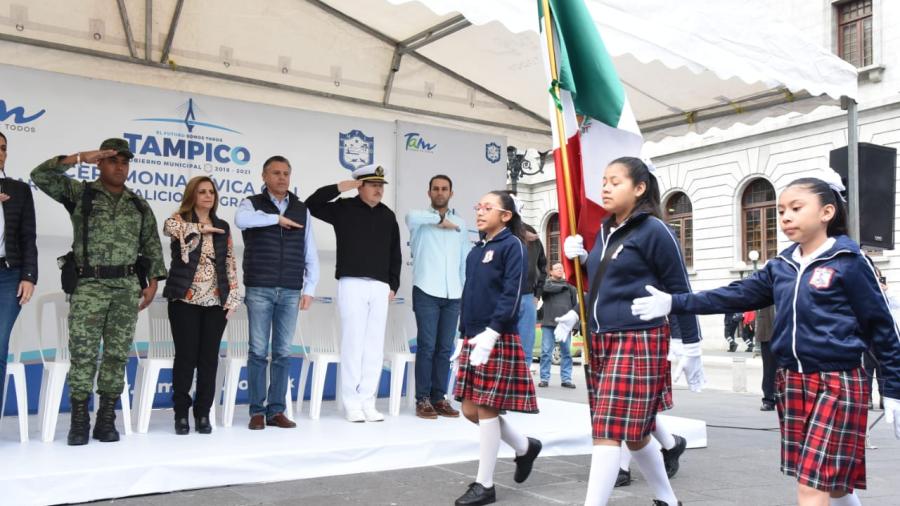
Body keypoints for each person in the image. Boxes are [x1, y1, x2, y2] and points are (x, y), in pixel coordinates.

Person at [631, 177, 900, 506]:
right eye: (781, 210)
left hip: (838, 382)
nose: (785, 216)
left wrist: (892, 387)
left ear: (827, 211)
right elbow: (734, 295)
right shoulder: (781, 267)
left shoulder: (850, 262)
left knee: (812, 483)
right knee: (833, 482)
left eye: (796, 208)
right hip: (792, 382)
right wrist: (676, 302)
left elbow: (882, 326)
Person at [562, 156, 698, 506]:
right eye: (604, 180)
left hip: (638, 339)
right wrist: (579, 269)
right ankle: (668, 500)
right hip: (602, 340)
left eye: (615, 181)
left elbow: (679, 289)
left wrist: (689, 343)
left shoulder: (654, 230)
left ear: (639, 188)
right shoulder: (606, 231)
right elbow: (604, 286)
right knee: (635, 434)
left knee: (608, 429)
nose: (605, 186)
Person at [31, 139, 166, 446]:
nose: (120, 166)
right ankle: (79, 420)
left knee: (117, 355)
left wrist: (154, 281)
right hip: (89, 286)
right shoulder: (82, 195)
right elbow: (41, 175)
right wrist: (80, 156)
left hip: (125, 288)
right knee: (83, 355)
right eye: (112, 160)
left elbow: (151, 245)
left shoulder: (138, 204)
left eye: (124, 162)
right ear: (100, 163)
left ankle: (106, 418)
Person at [453, 190, 541, 506]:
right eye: (479, 206)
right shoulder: (477, 251)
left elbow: (511, 293)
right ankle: (524, 447)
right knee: (469, 409)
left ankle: (484, 484)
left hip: (496, 337)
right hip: (474, 338)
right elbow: (470, 295)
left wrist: (492, 333)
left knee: (486, 407)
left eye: (488, 207)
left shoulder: (513, 245)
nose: (480, 211)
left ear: (506, 215)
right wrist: (463, 335)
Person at [307, 164, 401, 423]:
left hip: (380, 286)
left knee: (374, 345)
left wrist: (393, 284)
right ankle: (351, 402)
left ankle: (367, 400)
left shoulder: (387, 215)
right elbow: (311, 204)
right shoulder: (344, 208)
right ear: (359, 186)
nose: (378, 190)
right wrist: (340, 188)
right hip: (352, 283)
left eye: (381, 185)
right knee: (353, 343)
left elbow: (395, 253)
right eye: (372, 185)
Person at [235, 155, 319, 431]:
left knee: (282, 352)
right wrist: (276, 219)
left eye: (286, 173)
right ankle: (257, 411)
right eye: (276, 173)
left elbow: (310, 251)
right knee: (258, 351)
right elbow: (240, 220)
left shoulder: (301, 208)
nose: (282, 178)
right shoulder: (252, 204)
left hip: (291, 289)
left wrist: (310, 287)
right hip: (260, 286)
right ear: (264, 176)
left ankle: (276, 411)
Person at [163, 176, 242, 434]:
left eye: (211, 192)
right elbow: (168, 227)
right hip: (184, 300)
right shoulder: (179, 220)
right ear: (192, 196)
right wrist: (198, 228)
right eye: (202, 192)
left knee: (209, 360)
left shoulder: (223, 226)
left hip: (215, 302)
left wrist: (233, 295)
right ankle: (181, 414)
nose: (208, 196)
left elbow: (229, 261)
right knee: (186, 358)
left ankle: (203, 413)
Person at [405, 174, 470, 419]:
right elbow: (410, 216)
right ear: (429, 192)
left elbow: (464, 261)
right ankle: (422, 399)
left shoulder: (461, 224)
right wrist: (441, 219)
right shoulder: (419, 220)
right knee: (427, 346)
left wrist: (464, 293)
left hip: (453, 293)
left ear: (451, 193)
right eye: (436, 189)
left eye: (444, 189)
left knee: (445, 348)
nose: (440, 192)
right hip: (426, 291)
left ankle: (439, 397)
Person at [0, 132, 38, 411]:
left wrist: (28, 276)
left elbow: (28, 237)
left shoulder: (19, 190)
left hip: (8, 274)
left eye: (3, 148)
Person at [538, 262, 577, 388]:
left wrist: (576, 326)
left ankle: (566, 379)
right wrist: (562, 287)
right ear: (551, 272)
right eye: (557, 268)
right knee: (545, 352)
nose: (560, 270)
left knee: (566, 352)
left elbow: (575, 306)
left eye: (561, 268)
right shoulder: (547, 283)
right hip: (548, 324)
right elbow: (544, 290)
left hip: (565, 326)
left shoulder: (570, 286)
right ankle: (544, 378)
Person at [518, 223, 546, 367]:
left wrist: (537, 294)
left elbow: (543, 267)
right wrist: (520, 233)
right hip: (505, 296)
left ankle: (522, 384)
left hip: (528, 296)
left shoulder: (532, 231)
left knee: (526, 347)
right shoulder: (504, 228)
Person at [757, 305, 776, 411]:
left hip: (787, 331)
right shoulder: (766, 287)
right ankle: (769, 399)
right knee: (769, 368)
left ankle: (787, 399)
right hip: (767, 330)